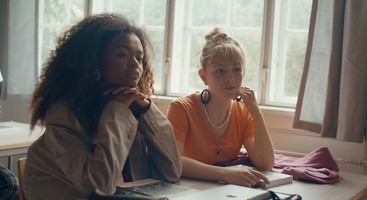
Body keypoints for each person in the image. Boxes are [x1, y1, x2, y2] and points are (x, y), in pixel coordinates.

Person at [24, 13, 182, 200]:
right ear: (94, 62)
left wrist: (148, 112)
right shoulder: (64, 114)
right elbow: (99, 185)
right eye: (122, 55)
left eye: (139, 58)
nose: (134, 64)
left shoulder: (133, 109)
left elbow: (171, 173)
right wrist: (117, 110)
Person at [166, 26, 275, 188]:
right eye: (220, 71)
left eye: (236, 69)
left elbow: (265, 163)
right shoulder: (181, 108)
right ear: (204, 76)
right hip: (187, 188)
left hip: (224, 190)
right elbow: (173, 162)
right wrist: (225, 174)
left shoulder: (244, 112)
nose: (230, 78)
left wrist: (256, 111)